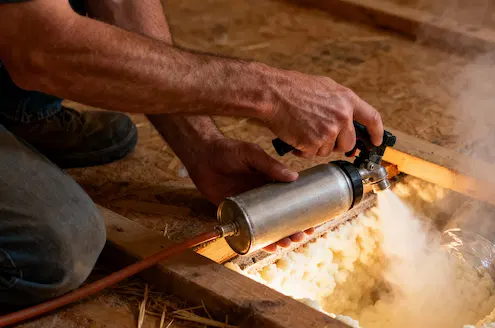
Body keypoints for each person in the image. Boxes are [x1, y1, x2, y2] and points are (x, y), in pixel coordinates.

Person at [0, 0, 385, 308]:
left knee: (116, 137)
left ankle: (16, 110)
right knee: (56, 247)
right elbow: (42, 47)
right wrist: (269, 93)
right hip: (30, 38)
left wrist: (201, 145)